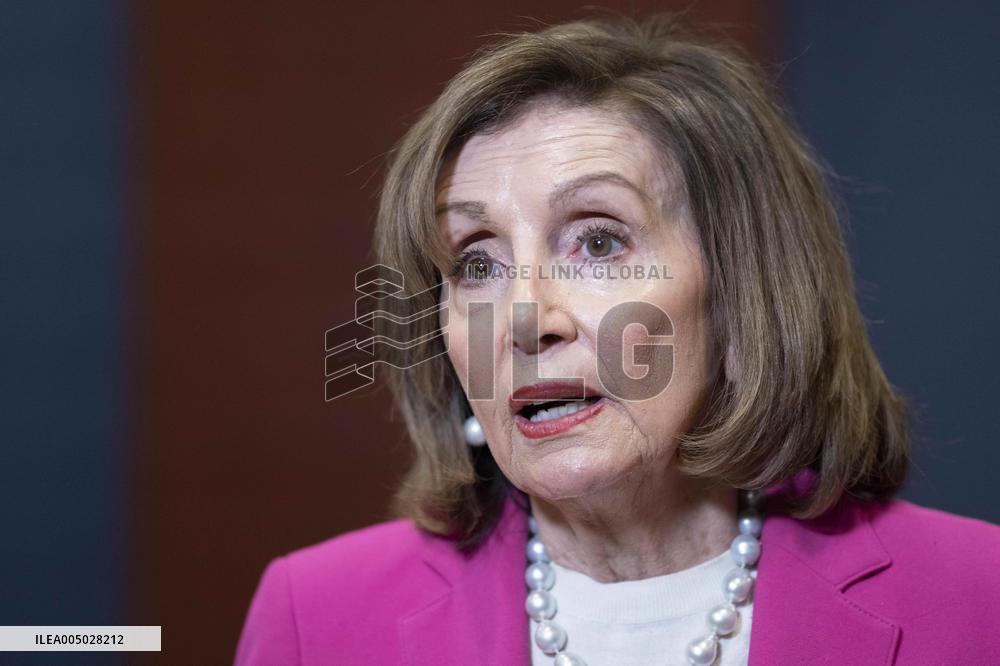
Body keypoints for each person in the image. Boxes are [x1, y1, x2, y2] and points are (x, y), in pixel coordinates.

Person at [235, 13, 1000, 665]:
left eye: (598, 243)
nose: (524, 317)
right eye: (476, 261)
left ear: (741, 293)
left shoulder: (978, 600)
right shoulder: (317, 620)